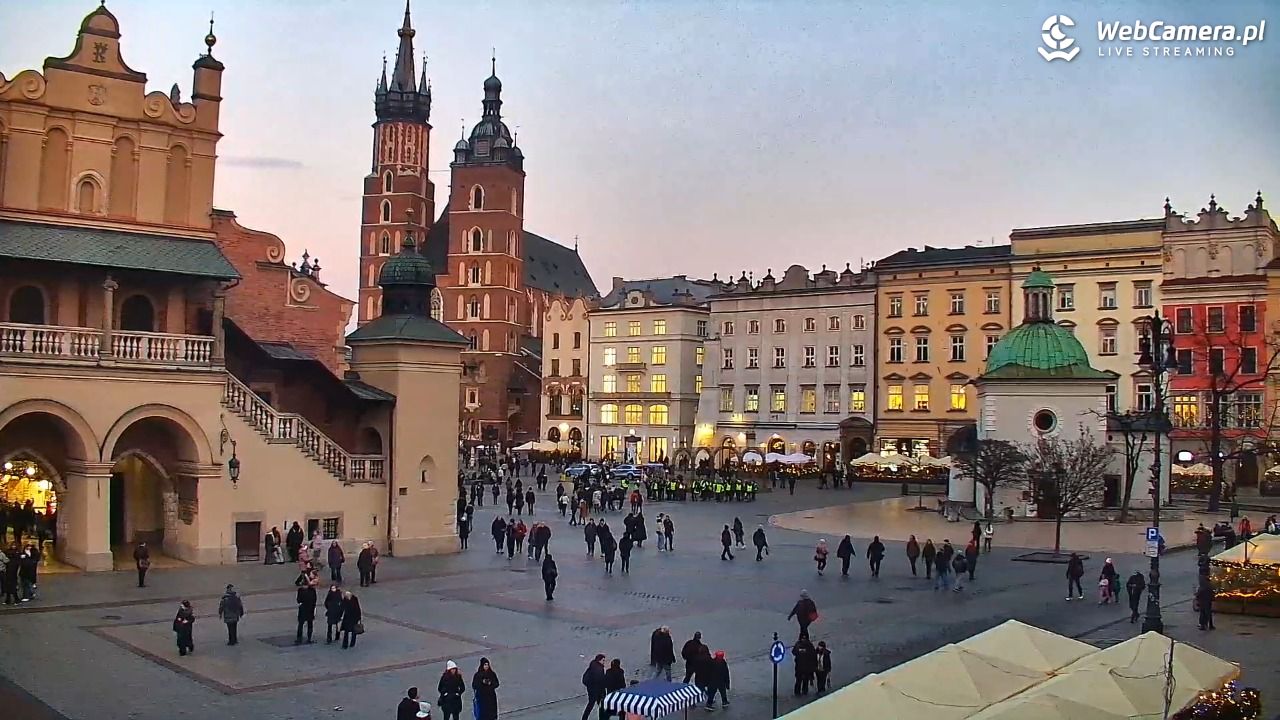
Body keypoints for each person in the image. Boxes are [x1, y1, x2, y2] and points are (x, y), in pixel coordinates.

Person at [581, 654, 608, 720]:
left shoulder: (592, 665)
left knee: (591, 705)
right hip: (597, 691)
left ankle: (584, 718)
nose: (604, 662)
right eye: (603, 660)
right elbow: (600, 680)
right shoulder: (599, 669)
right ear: (599, 660)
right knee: (601, 705)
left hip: (591, 689)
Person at [296, 575, 317, 644]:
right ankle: (308, 638)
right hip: (309, 609)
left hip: (304, 609)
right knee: (308, 624)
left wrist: (301, 603)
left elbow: (298, 600)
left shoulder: (301, 590)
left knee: (301, 624)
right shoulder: (312, 591)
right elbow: (314, 600)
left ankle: (300, 639)